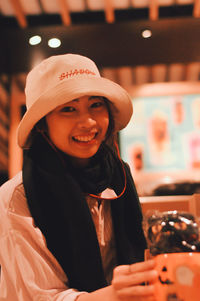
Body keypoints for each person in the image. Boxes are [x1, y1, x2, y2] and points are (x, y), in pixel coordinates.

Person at [0, 54, 158, 300]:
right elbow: (38, 297)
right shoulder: (17, 197)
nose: (88, 122)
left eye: (96, 104)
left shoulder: (117, 178)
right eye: (68, 109)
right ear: (42, 124)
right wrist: (115, 295)